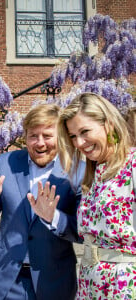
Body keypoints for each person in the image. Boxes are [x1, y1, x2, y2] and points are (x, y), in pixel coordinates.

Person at [0, 104, 85, 300]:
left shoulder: (77, 170)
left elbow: (82, 231)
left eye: (47, 136)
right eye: (33, 136)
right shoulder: (5, 163)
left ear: (61, 137)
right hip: (7, 278)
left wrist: (53, 217)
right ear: (25, 137)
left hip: (54, 279)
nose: (40, 143)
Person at [57, 92, 136, 299]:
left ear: (108, 124)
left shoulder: (133, 164)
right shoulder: (95, 174)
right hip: (90, 284)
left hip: (125, 286)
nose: (80, 143)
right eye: (73, 136)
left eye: (85, 131)